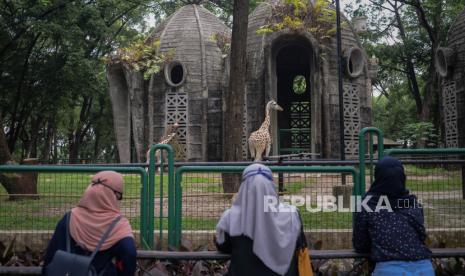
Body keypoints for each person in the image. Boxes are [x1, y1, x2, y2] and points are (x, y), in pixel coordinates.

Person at [216, 163, 306, 276]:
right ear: (272, 187)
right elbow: (299, 245)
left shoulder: (229, 218)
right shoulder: (292, 215)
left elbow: (223, 246)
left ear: (243, 188)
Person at [42, 171, 137, 275]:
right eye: (119, 197)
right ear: (112, 196)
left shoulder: (69, 218)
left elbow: (50, 258)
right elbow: (129, 253)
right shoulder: (119, 225)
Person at [353, 156, 434, 276]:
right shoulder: (413, 204)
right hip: (424, 268)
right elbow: (421, 235)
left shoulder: (367, 205)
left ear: (378, 177)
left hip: (388, 269)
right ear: (402, 177)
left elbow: (360, 244)